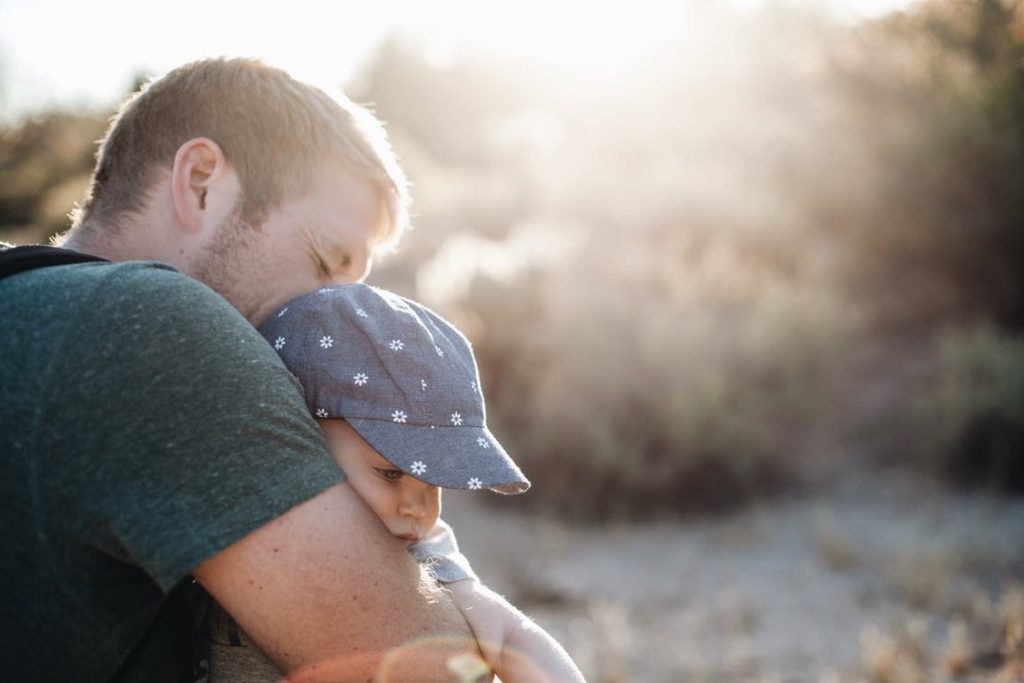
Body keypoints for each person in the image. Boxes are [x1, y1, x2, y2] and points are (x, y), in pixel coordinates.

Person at [0, 57, 485, 682]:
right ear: (201, 181)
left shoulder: (29, 304)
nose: (340, 314)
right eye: (325, 261)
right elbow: (431, 673)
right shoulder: (156, 327)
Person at [205, 283, 586, 683]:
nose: (417, 507)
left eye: (434, 482)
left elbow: (511, 633)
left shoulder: (422, 553)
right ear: (302, 438)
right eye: (390, 473)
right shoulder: (236, 507)